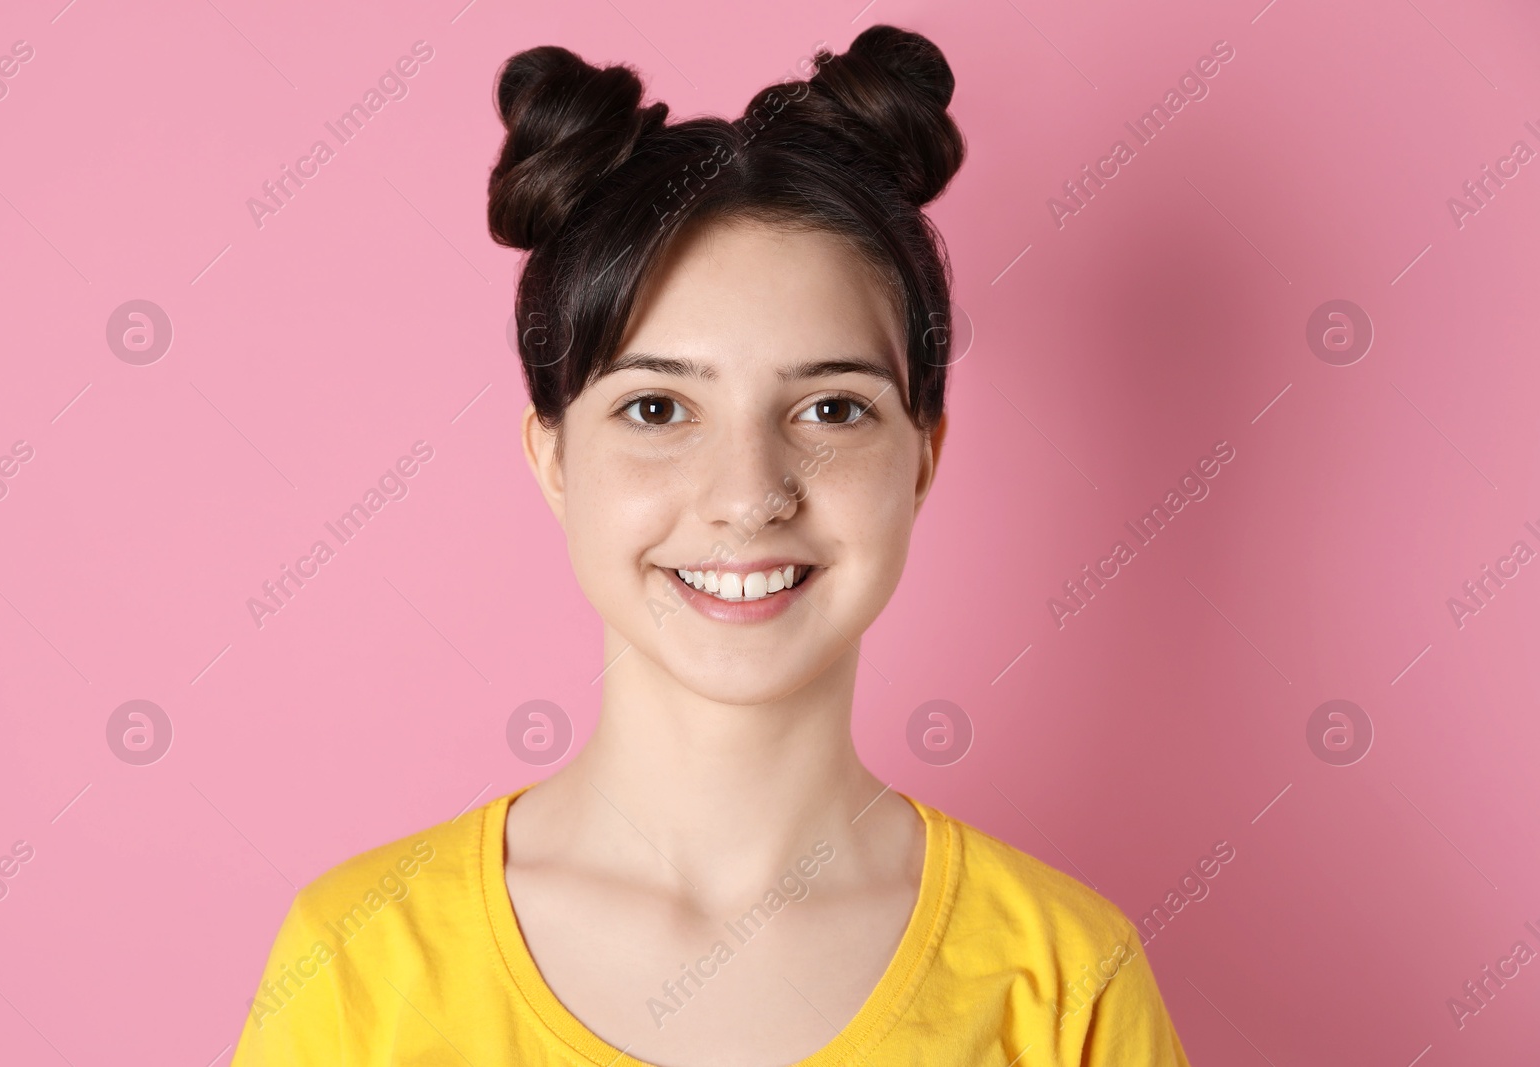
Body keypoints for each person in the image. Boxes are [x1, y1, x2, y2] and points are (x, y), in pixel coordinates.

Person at [230, 24, 1192, 1066]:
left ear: (922, 456)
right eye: (656, 408)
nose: (749, 496)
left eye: (830, 408)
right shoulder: (359, 959)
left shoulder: (1063, 981)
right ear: (552, 457)